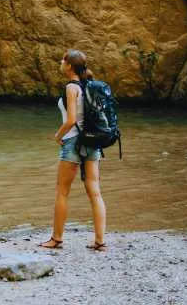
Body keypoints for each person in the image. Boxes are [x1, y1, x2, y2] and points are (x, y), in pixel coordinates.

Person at [37, 48, 107, 251]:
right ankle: (100, 241)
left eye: (62, 60)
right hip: (93, 141)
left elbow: (70, 120)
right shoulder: (89, 85)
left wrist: (57, 136)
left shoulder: (71, 87)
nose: (60, 62)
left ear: (69, 65)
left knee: (62, 192)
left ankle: (56, 239)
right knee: (95, 192)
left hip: (73, 142)